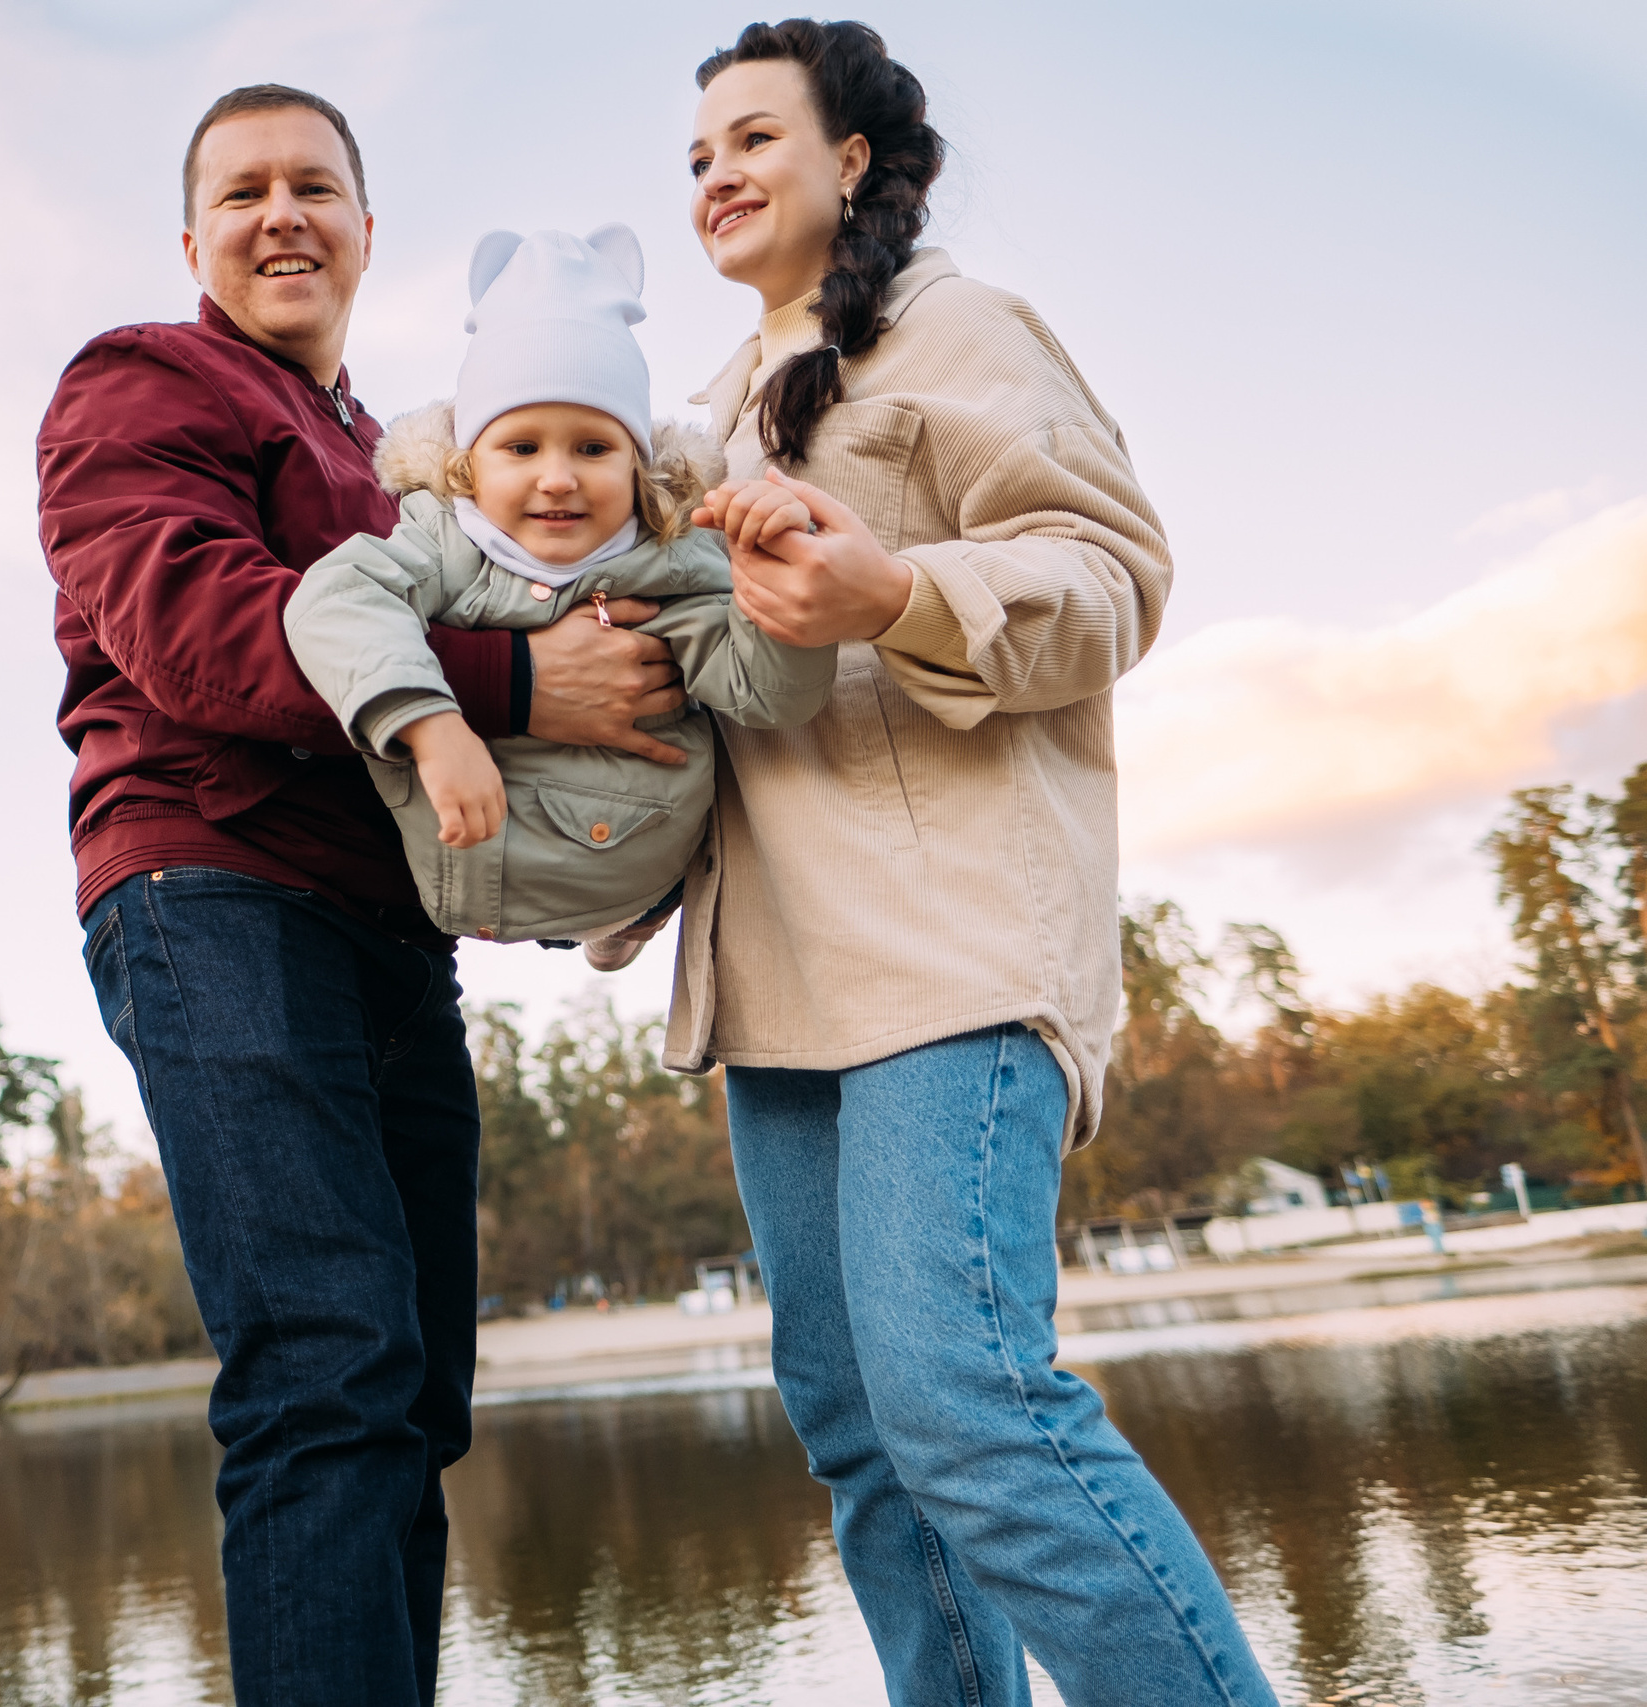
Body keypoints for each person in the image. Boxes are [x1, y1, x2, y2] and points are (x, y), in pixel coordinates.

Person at [36, 84, 683, 1706]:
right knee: (325, 1371)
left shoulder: (390, 457)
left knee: (411, 1395)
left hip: (387, 934)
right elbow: (195, 621)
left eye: (314, 186)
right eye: (243, 191)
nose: (281, 215)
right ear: (194, 239)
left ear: (368, 230)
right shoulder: (142, 380)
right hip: (214, 889)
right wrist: (519, 682)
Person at [668, 20, 1282, 1707]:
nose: (715, 173)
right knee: (868, 1440)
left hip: (947, 951)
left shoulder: (960, 330)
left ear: (852, 160)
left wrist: (901, 592)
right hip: (776, 990)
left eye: (752, 139)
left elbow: (1113, 574)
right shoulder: (702, 426)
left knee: (966, 1401)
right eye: (697, 154)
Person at [282, 223, 835, 953]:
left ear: (637, 464)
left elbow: (771, 696)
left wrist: (776, 586)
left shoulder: (671, 553)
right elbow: (333, 600)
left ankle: (627, 922)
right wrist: (430, 724)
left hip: (642, 864)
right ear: (469, 465)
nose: (557, 477)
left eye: (594, 447)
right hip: (460, 865)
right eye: (521, 447)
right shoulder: (441, 538)